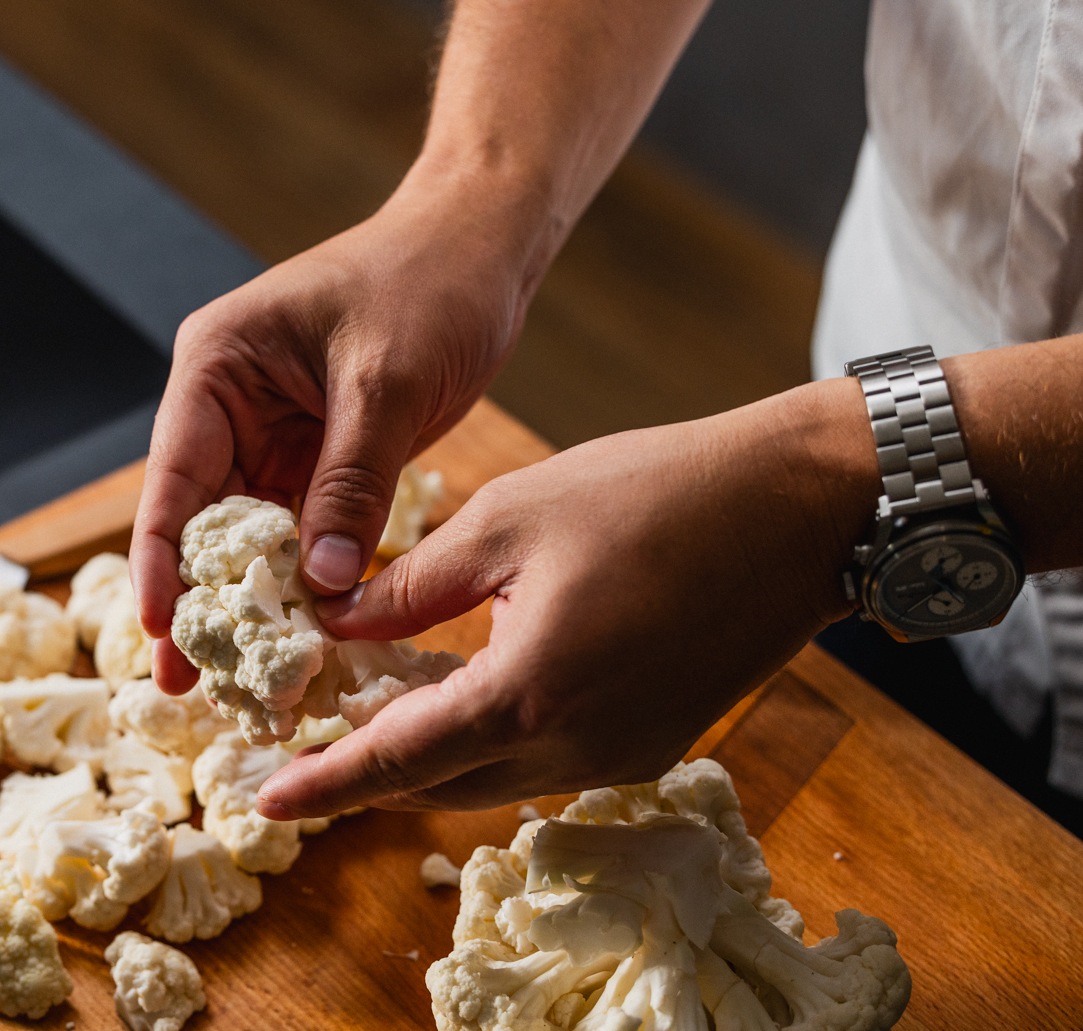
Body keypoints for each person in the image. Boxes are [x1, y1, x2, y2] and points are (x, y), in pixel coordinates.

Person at [129, 0, 1083, 820]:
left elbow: (817, 499)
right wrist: (472, 194)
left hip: (866, 487)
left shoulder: (818, 502)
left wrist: (823, 490)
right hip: (905, 359)